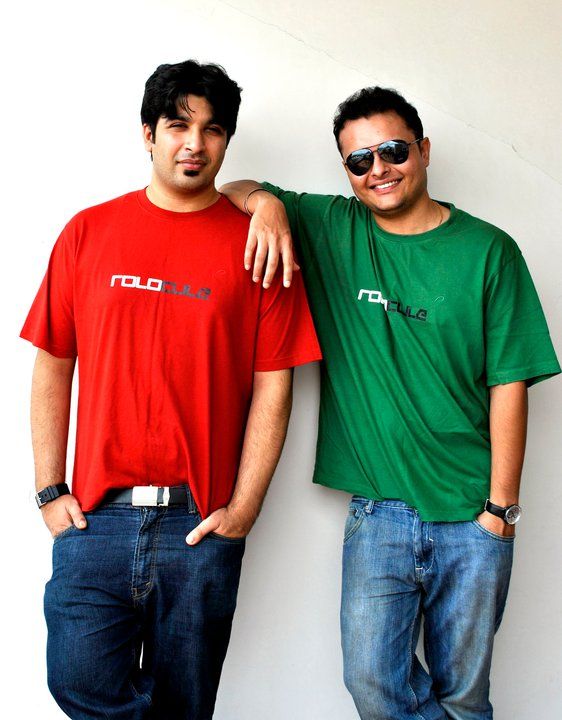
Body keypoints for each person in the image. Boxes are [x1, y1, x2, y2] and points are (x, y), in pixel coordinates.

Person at [220, 86, 561, 719]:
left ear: (424, 150)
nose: (378, 168)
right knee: (373, 684)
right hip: (379, 514)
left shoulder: (490, 251)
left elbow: (510, 384)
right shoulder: (332, 228)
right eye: (358, 160)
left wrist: (500, 510)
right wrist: (265, 204)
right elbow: (232, 186)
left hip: (472, 512)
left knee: (465, 696)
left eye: (393, 151)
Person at [20, 59, 321, 720]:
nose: (194, 143)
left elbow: (275, 388)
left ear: (226, 141)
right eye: (178, 125)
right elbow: (53, 363)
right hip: (95, 516)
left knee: (186, 705)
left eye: (212, 130)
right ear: (148, 135)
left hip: (199, 523)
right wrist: (48, 487)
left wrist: (243, 510)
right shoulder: (87, 232)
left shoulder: (259, 247)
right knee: (77, 681)